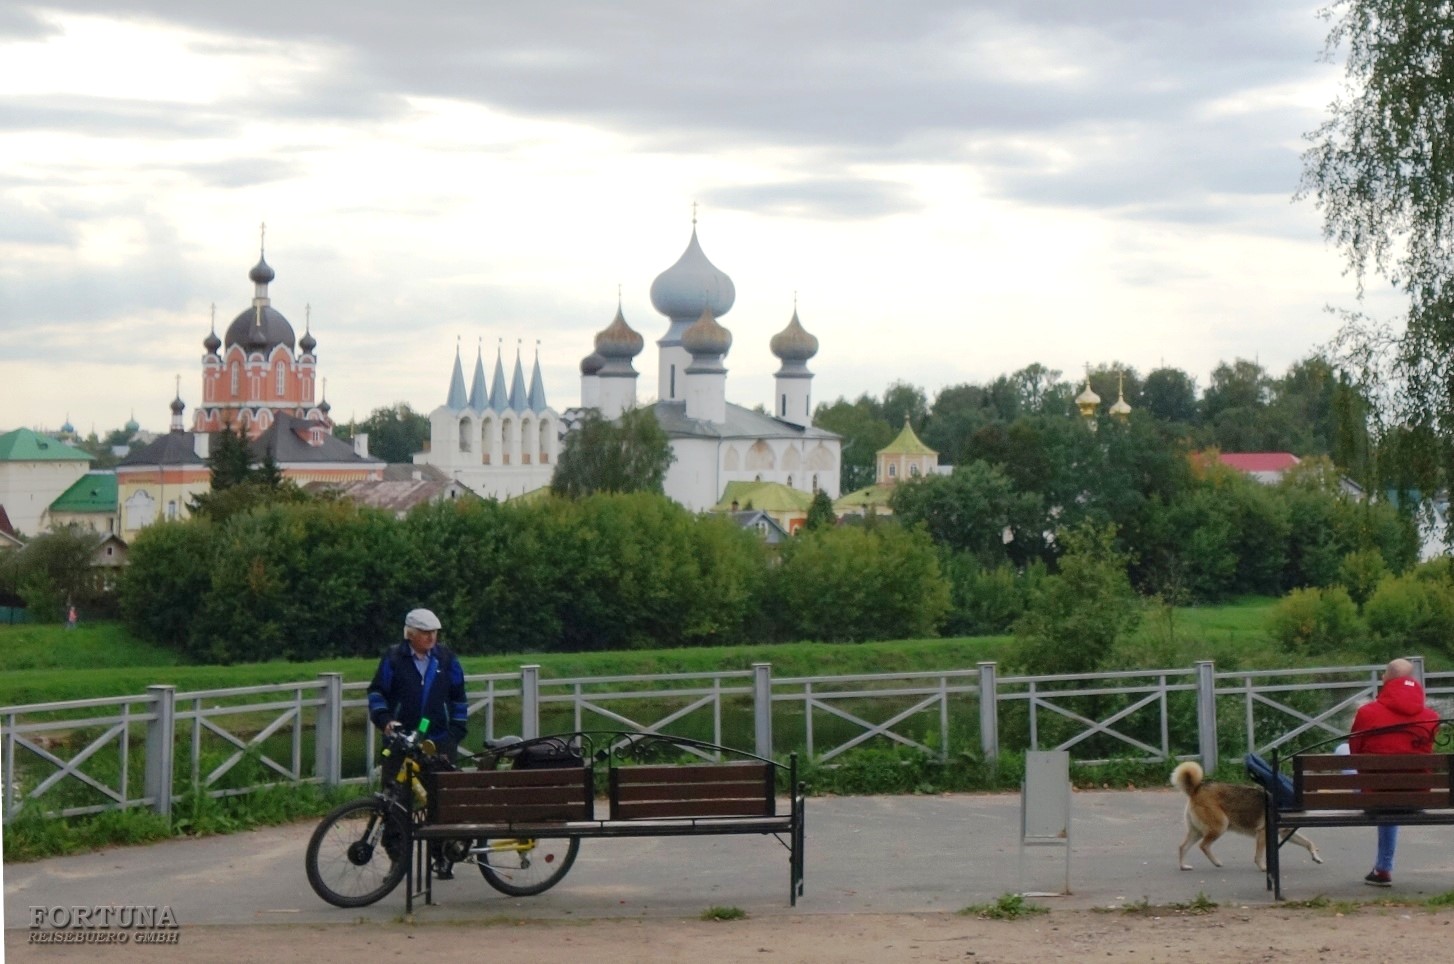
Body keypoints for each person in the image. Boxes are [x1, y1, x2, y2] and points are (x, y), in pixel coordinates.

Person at [367, 607, 469, 879]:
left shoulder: (446, 659)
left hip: (438, 741)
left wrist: (455, 732)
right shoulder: (393, 658)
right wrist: (385, 720)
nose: (431, 637)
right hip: (401, 741)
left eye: (434, 632)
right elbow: (377, 693)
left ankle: (443, 856)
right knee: (395, 803)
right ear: (410, 634)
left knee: (439, 801)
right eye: (425, 632)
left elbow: (459, 697)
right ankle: (398, 860)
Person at [1348, 658, 1439, 887]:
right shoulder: (1431, 716)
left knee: (1378, 784)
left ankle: (1384, 868)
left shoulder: (1367, 712)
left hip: (1374, 797)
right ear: (1412, 680)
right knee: (1393, 788)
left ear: (1386, 679)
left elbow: (1354, 753)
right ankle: (1383, 868)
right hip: (1417, 797)